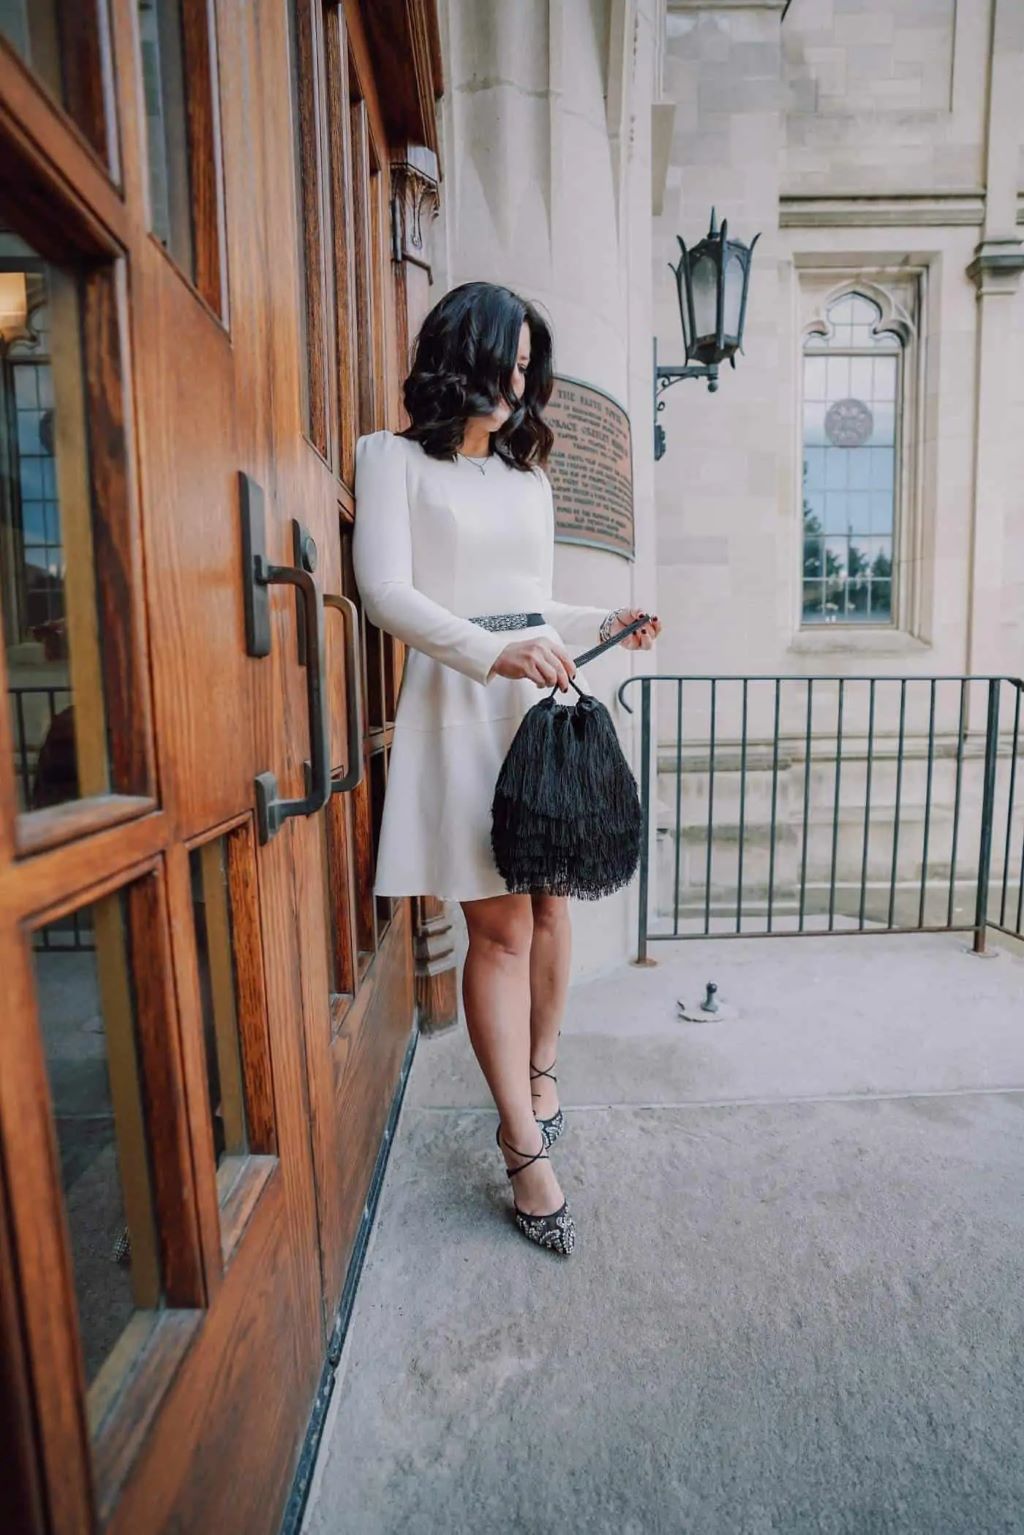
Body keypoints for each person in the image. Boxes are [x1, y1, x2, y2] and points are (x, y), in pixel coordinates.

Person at [352, 281, 660, 1256]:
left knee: (551, 904)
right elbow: (385, 593)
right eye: (511, 360)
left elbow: (529, 605)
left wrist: (598, 621)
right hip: (457, 705)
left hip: (532, 708)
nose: (523, 380)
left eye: (531, 365)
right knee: (497, 926)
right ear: (462, 355)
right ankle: (523, 1148)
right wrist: (495, 653)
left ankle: (539, 1068)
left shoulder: (527, 479)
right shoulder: (392, 459)